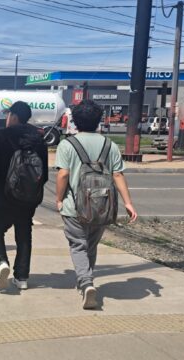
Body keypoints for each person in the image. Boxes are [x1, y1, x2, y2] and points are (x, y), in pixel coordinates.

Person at [55, 99, 137, 310]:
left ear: (75, 121)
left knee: (78, 245)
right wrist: (128, 203)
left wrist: (58, 199)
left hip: (75, 206)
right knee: (90, 245)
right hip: (103, 206)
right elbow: (117, 174)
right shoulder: (109, 145)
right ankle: (86, 281)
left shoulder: (67, 144)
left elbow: (63, 174)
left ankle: (86, 282)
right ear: (99, 121)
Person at [0, 101, 48, 291]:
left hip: (3, 195)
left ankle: (2, 262)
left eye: (8, 115)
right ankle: (21, 277)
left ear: (14, 116)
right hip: (28, 198)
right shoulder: (38, 139)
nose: (7, 118)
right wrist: (33, 191)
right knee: (24, 234)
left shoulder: (2, 137)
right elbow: (42, 173)